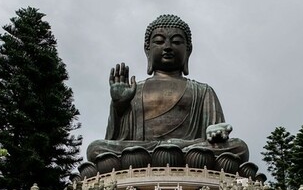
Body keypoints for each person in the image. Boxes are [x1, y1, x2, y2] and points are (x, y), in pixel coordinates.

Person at [84, 14, 250, 170]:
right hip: (145, 152)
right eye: (159, 42)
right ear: (147, 50)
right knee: (96, 148)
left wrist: (216, 132)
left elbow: (216, 132)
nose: (168, 47)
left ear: (188, 51)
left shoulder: (202, 91)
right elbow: (115, 139)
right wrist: (119, 106)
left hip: (190, 150)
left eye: (177, 42)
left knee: (239, 147)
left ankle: (170, 151)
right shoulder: (135, 90)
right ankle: (167, 152)